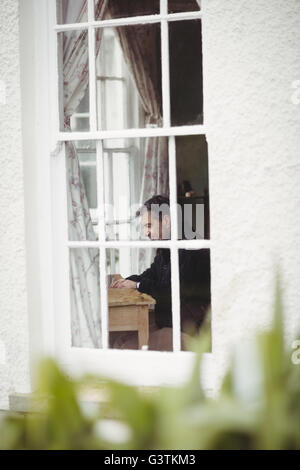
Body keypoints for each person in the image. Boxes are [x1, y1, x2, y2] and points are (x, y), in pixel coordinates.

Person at [110, 195, 211, 351]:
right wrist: (128, 281)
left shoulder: (189, 247)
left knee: (124, 346)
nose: (146, 233)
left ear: (166, 221)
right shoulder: (167, 245)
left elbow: (169, 291)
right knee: (119, 341)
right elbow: (152, 274)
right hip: (171, 323)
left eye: (149, 225)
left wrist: (137, 284)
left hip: (190, 333)